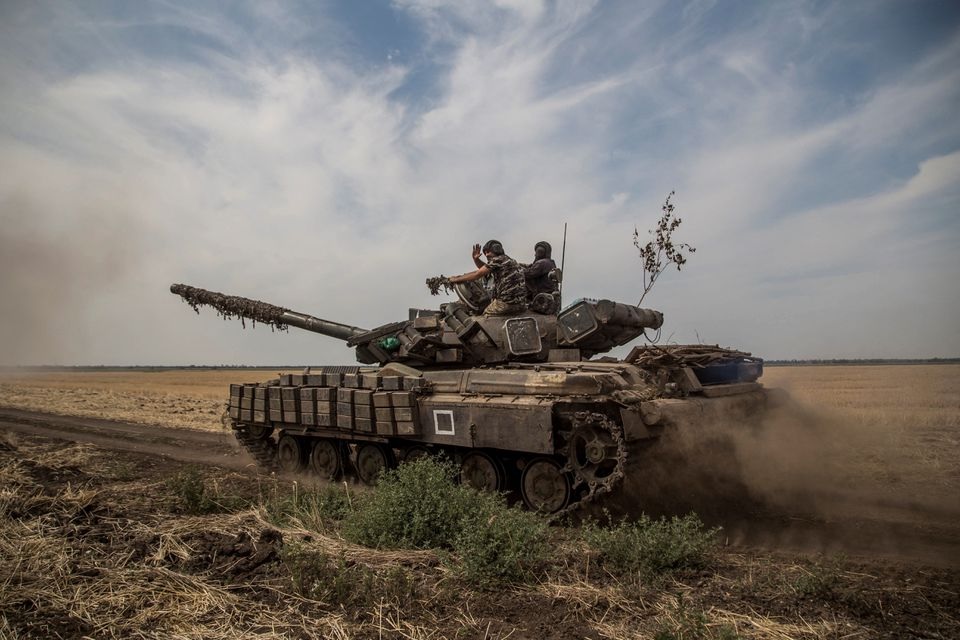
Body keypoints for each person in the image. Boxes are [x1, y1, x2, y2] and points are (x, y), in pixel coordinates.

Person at [447, 240, 527, 316]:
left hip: (507, 303)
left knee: (483, 315)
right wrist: (476, 259)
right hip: (520, 303)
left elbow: (477, 274)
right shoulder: (507, 260)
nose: (486, 255)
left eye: (488, 252)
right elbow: (484, 269)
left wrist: (456, 279)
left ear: (497, 249)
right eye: (485, 253)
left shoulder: (498, 260)